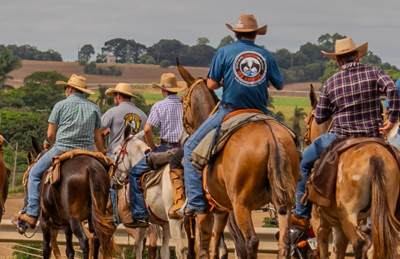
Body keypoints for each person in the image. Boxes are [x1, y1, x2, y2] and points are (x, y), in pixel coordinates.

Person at [178, 14, 285, 217]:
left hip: (231, 110)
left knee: (191, 146)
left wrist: (225, 79)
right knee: (291, 145)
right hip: (260, 112)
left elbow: (210, 84)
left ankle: (195, 201)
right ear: (255, 34)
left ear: (235, 33)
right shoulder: (267, 55)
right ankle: (293, 204)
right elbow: (280, 84)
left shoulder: (224, 52)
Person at [293, 38, 396, 232]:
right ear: (357, 55)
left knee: (304, 163)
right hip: (373, 136)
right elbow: (392, 88)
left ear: (338, 61)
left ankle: (301, 214)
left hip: (339, 137)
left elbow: (321, 116)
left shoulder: (331, 82)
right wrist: (392, 119)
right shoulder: (374, 72)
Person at [16, 74, 102, 230]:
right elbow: (97, 137)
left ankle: (32, 213)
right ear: (82, 91)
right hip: (87, 151)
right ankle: (107, 212)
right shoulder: (94, 108)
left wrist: (56, 145)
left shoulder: (60, 105)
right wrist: (102, 153)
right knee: (110, 177)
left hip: (62, 148)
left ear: (69, 89)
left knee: (34, 173)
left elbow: (49, 135)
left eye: (66, 88)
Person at [126, 73, 188, 222]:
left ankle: (140, 214)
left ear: (163, 91)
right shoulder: (185, 105)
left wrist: (153, 147)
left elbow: (147, 129)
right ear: (175, 90)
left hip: (164, 148)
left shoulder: (159, 106)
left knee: (134, 173)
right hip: (184, 150)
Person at [99, 82, 150, 227]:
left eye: (115, 95)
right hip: (136, 160)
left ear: (118, 96)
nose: (114, 98)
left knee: (99, 182)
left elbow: (98, 129)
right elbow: (145, 139)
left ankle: (104, 208)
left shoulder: (112, 112)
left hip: (116, 156)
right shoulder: (142, 114)